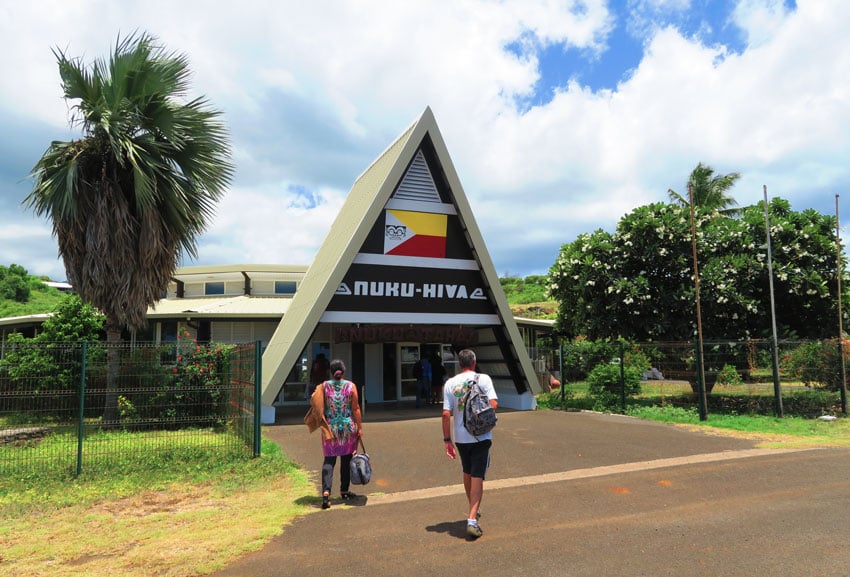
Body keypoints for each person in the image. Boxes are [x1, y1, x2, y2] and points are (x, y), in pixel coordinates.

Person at [441, 349, 498, 540]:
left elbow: (445, 414)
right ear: (474, 362)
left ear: (459, 364)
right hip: (481, 436)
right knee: (477, 475)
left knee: (467, 472)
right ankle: (472, 520)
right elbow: (493, 404)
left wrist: (447, 440)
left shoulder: (450, 383)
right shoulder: (483, 379)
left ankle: (473, 508)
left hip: (460, 437)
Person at [311, 359, 363, 509]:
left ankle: (326, 493)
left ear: (331, 372)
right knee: (346, 459)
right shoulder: (351, 386)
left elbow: (316, 403)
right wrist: (360, 427)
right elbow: (356, 408)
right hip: (347, 427)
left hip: (330, 428)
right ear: (344, 371)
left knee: (329, 460)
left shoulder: (324, 386)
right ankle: (344, 491)